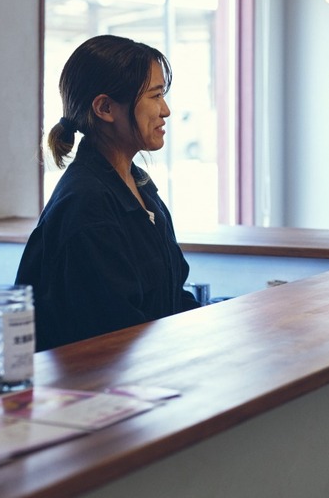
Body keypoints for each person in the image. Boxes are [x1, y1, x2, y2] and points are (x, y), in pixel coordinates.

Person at [16, 35, 200, 352]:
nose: (166, 110)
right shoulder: (86, 204)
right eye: (155, 96)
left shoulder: (140, 187)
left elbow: (171, 296)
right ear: (105, 107)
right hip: (102, 390)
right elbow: (113, 333)